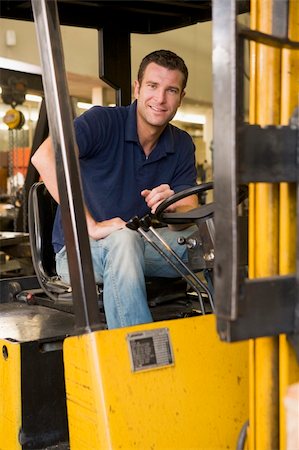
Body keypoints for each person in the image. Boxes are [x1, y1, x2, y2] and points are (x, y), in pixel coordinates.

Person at [32, 49, 199, 329]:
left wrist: (175, 204)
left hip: (145, 246)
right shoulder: (102, 122)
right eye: (153, 86)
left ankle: (241, 346)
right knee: (125, 239)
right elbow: (45, 157)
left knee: (213, 240)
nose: (160, 99)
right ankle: (136, 360)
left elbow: (189, 214)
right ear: (137, 88)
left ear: (181, 97)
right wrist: (92, 226)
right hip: (80, 253)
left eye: (171, 90)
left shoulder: (181, 143)